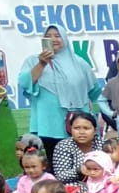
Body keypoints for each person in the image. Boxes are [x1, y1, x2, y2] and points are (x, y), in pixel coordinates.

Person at [20, 26, 99, 159]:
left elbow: (94, 90)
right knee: (53, 162)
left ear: (64, 38)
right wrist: (41, 64)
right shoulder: (33, 61)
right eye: (49, 36)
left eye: (57, 35)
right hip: (49, 124)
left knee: (84, 162)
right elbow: (25, 83)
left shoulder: (79, 63)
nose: (53, 39)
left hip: (77, 125)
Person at [50, 112, 105, 185]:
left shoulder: (103, 144)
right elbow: (60, 176)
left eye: (86, 128)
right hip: (75, 185)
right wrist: (78, 170)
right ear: (71, 129)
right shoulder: (64, 146)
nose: (81, 132)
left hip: (102, 183)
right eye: (77, 128)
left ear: (95, 131)